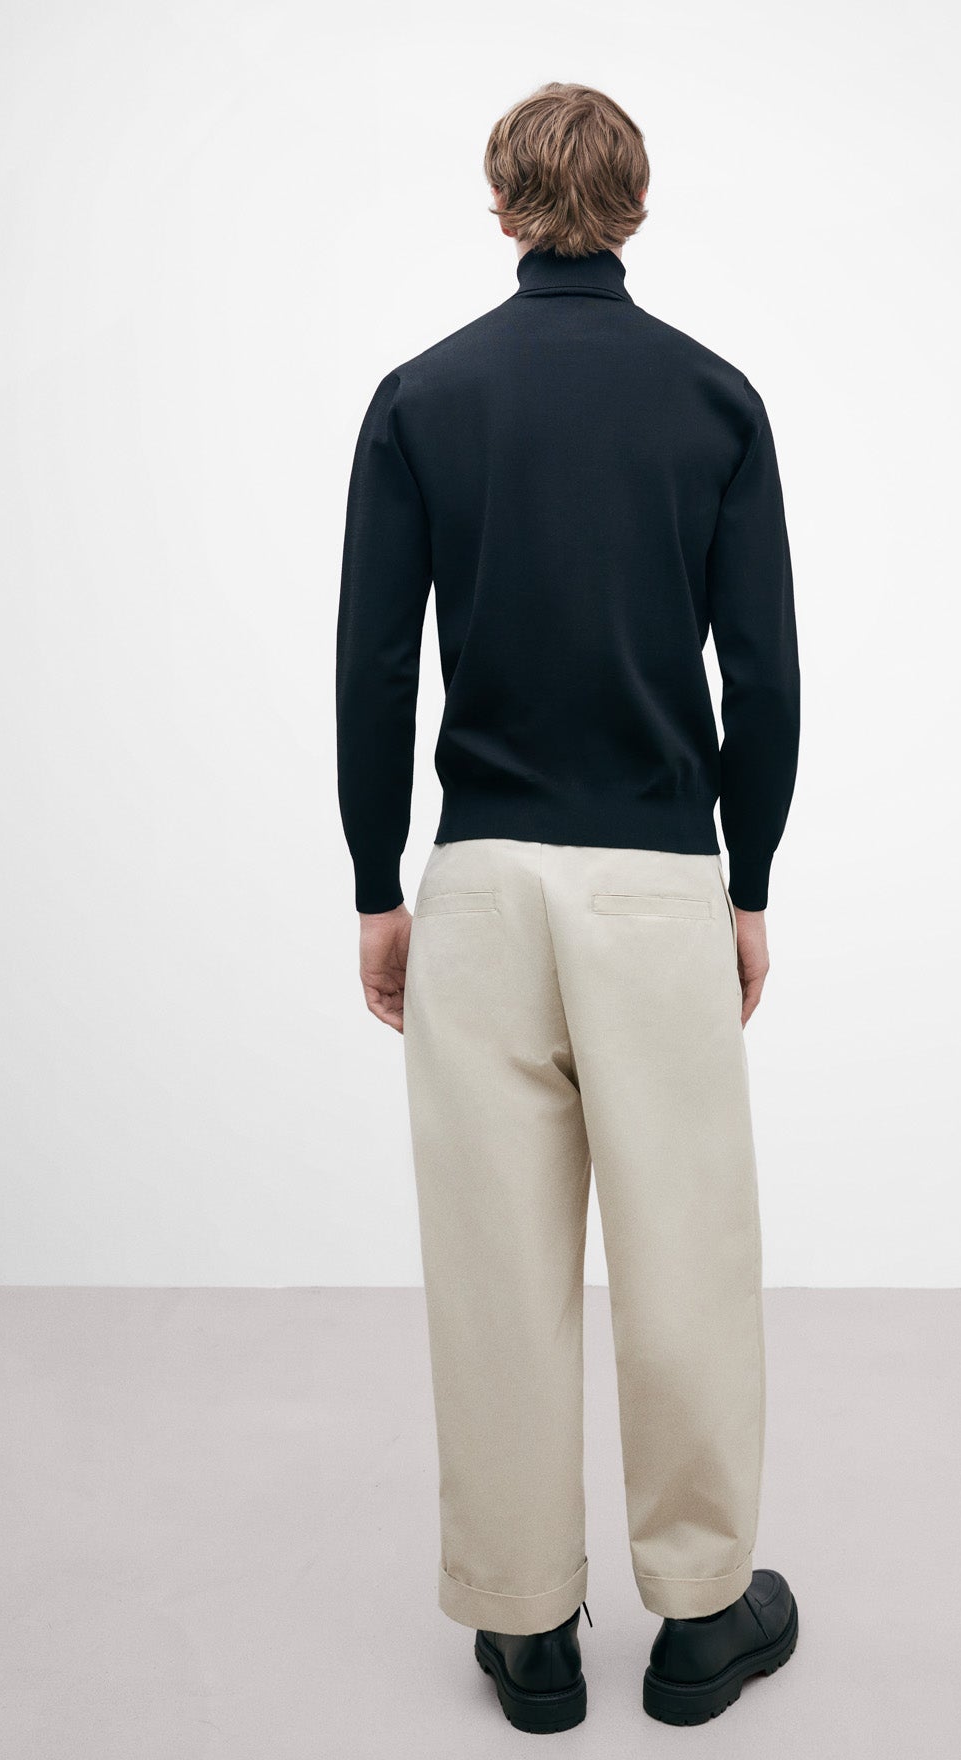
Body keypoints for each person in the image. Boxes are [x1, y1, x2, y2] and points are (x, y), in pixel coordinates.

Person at [335, 81, 800, 1733]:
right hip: (657, 876)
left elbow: (375, 663)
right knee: (685, 1259)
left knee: (495, 1265)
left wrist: (375, 881)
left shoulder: (421, 398)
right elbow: (762, 675)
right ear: (637, 206)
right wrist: (750, 879)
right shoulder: (715, 401)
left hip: (478, 885)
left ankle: (526, 1628)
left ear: (502, 206)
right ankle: (700, 1619)